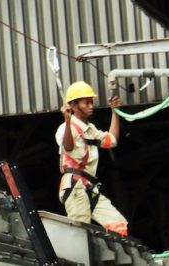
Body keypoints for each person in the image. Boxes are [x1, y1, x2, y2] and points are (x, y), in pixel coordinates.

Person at [56, 80, 128, 235]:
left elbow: (112, 141)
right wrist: (68, 121)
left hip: (89, 187)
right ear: (73, 106)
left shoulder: (90, 129)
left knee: (119, 225)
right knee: (80, 233)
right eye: (86, 103)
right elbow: (68, 147)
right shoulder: (65, 128)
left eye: (91, 102)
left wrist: (115, 112)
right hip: (76, 188)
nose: (91, 106)